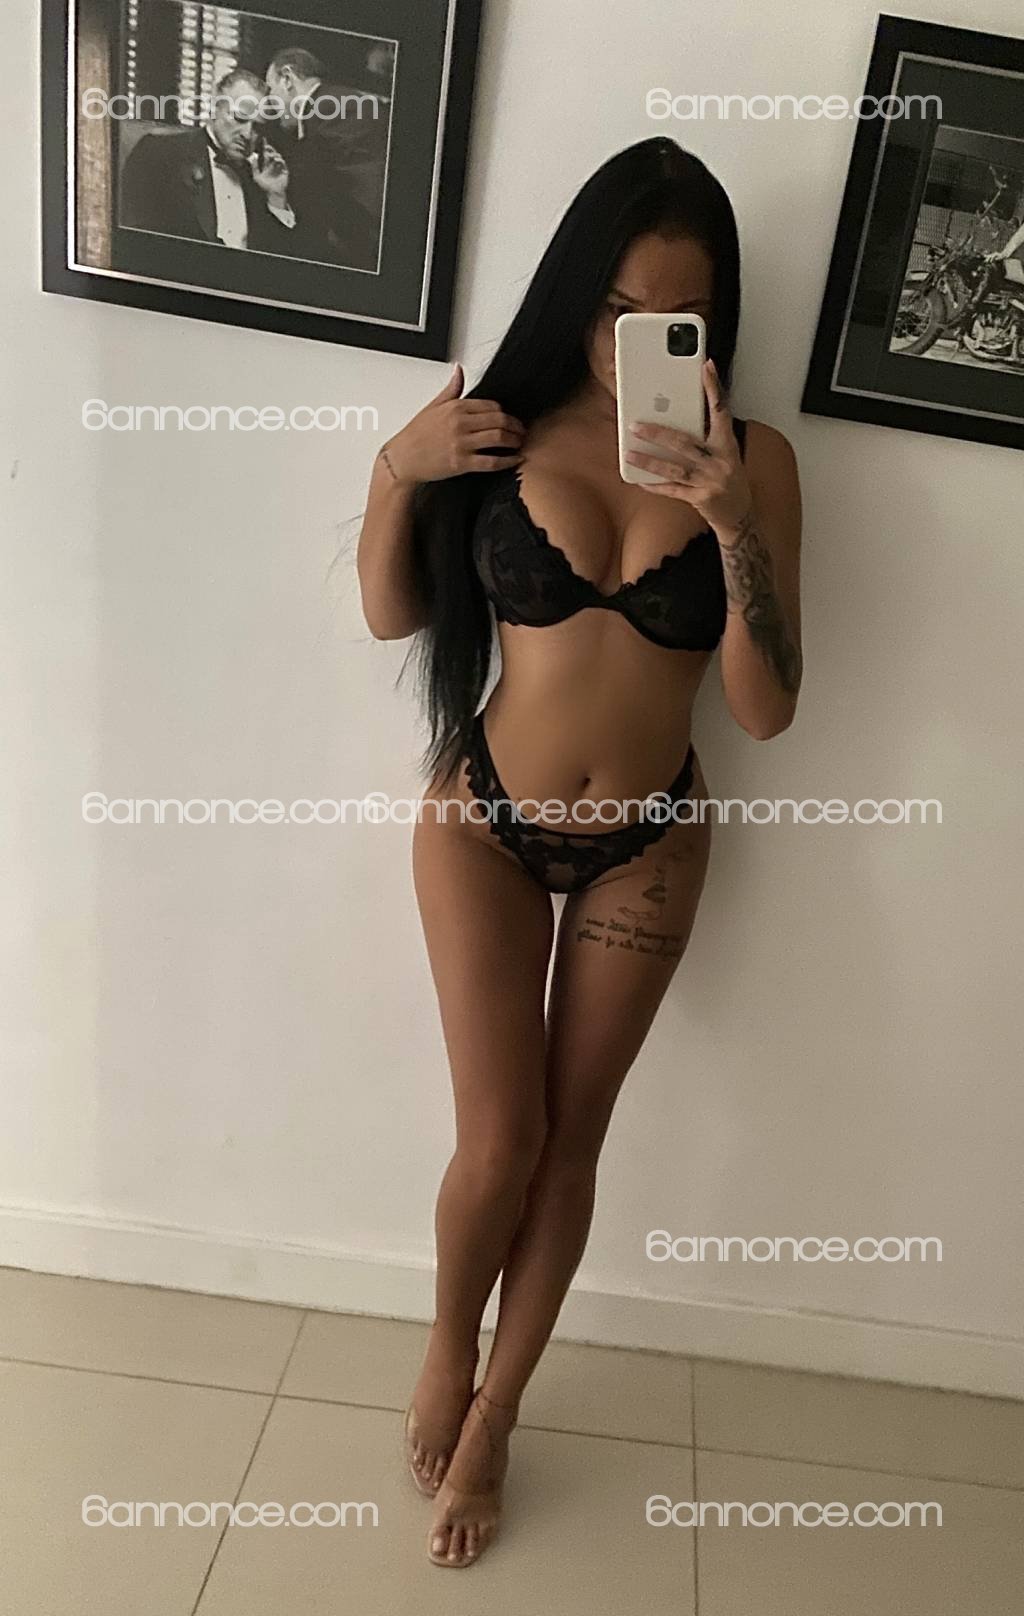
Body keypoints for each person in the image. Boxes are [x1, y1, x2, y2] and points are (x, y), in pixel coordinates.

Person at [356, 137, 803, 1569]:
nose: (636, 344)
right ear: (575, 294)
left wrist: (730, 521)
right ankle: (447, 1344)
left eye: (679, 318)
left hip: (648, 845)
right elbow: (389, 616)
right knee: (500, 1138)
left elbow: (765, 707)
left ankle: (497, 1414)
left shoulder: (758, 463)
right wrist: (396, 470)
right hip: (483, 820)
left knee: (570, 1140)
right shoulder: (501, 432)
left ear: (715, 324)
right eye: (615, 309)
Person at [120, 69, 295, 251]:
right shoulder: (160, 152)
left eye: (257, 126)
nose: (247, 134)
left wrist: (276, 196)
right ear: (214, 107)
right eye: (239, 118)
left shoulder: (262, 176)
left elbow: (276, 257)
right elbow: (136, 239)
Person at [264, 46, 381, 269]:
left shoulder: (333, 109)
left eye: (270, 89)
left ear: (287, 78)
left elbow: (360, 199)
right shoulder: (330, 106)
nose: (269, 102)